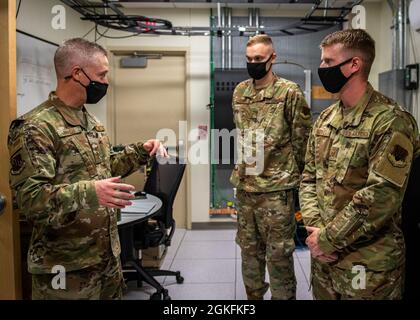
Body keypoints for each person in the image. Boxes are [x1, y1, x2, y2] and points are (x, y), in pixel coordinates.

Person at [8, 38, 167, 300]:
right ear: (78, 73)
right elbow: (29, 200)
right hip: (65, 268)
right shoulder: (35, 128)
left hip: (105, 259)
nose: (106, 82)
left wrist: (141, 151)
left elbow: (105, 168)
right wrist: (89, 192)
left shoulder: (88, 120)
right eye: (102, 74)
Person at [299, 29, 419, 300]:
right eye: (322, 61)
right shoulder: (326, 119)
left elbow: (380, 197)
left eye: (328, 62)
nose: (322, 68)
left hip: (368, 266)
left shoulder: (390, 121)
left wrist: (327, 239)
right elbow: (309, 177)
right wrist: (316, 233)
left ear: (354, 64)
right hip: (325, 263)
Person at [231, 34, 312, 300]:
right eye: (249, 59)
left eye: (259, 59)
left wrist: (300, 184)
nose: (253, 63)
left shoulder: (289, 92)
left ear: (272, 58)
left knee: (278, 256)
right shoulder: (240, 91)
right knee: (249, 253)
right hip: (246, 189)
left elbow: (302, 141)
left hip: (277, 191)